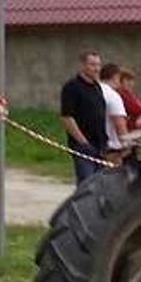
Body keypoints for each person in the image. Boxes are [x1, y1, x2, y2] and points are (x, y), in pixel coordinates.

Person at [60, 50, 107, 184]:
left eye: (98, 65)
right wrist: (83, 143)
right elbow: (67, 117)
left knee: (99, 185)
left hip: (100, 145)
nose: (96, 68)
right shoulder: (72, 87)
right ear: (82, 65)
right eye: (92, 65)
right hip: (83, 146)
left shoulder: (97, 87)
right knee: (86, 184)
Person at [99, 62, 129, 164]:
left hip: (93, 145)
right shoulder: (113, 96)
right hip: (112, 148)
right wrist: (126, 144)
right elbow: (119, 123)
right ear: (115, 77)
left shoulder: (93, 91)